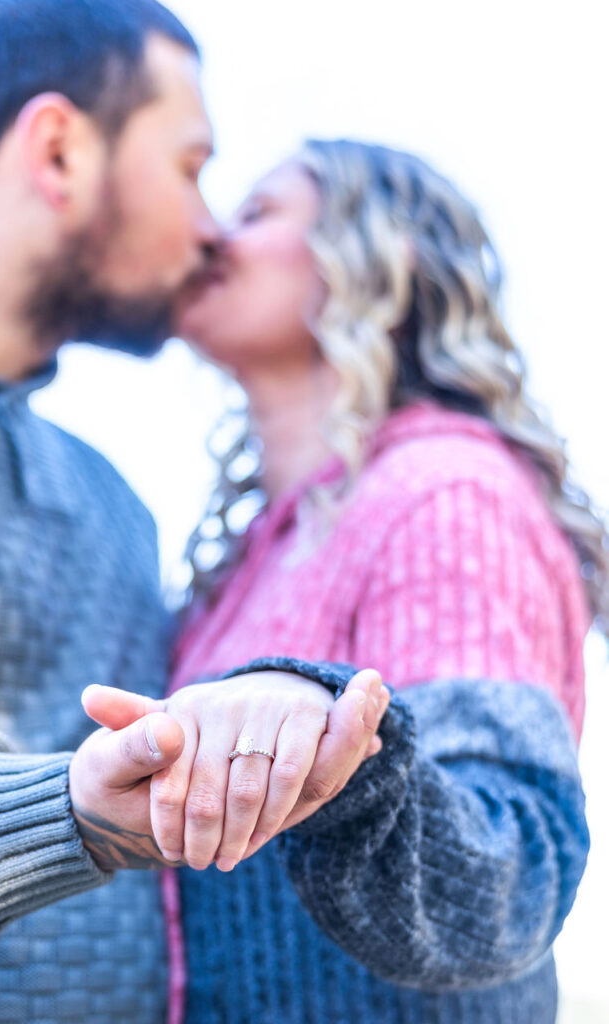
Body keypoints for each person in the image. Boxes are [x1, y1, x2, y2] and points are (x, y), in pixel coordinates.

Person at [0, 5, 388, 1023]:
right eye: (191, 166)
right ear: (60, 150)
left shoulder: (118, 504)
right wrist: (57, 813)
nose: (210, 228)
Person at [91, 140, 600, 1022]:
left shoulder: (442, 494)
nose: (211, 236)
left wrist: (345, 752)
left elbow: (498, 880)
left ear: (375, 256)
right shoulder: (247, 560)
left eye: (257, 214)